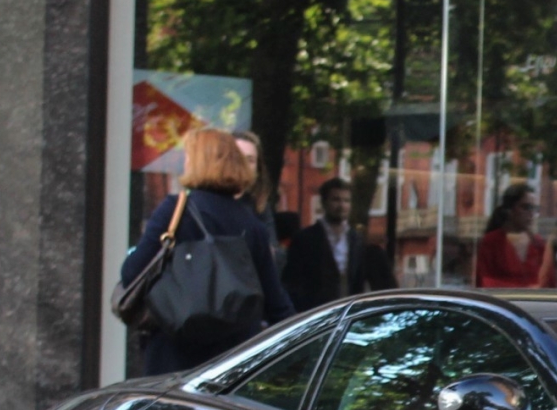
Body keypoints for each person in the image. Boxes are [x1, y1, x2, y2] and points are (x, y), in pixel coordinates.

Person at [121, 128, 292, 377]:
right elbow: (276, 303)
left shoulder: (175, 211)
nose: (185, 163)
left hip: (173, 359)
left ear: (199, 163)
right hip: (233, 366)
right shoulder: (252, 225)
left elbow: (132, 273)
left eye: (189, 157)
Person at [283, 177, 394, 309]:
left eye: (346, 201)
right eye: (336, 200)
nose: (342, 205)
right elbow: (293, 282)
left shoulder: (356, 239)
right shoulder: (305, 238)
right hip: (314, 315)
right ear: (324, 202)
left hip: (348, 313)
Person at [473, 185, 557, 289]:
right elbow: (483, 281)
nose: (531, 214)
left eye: (535, 209)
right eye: (526, 207)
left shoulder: (538, 243)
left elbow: (550, 283)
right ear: (509, 209)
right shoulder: (491, 242)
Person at [232, 128, 299, 253]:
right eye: (238, 157)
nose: (243, 165)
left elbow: (271, 253)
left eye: (250, 160)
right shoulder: (206, 202)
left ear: (258, 168)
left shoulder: (259, 206)